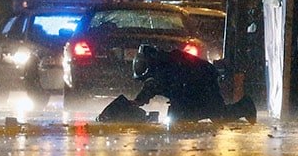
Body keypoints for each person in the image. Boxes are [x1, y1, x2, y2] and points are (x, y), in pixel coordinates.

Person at [96, 44, 257, 123]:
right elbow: (153, 85)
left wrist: (138, 101)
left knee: (218, 116)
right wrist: (139, 101)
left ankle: (246, 106)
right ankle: (244, 107)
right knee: (183, 118)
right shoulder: (162, 64)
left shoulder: (165, 65)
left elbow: (155, 85)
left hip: (203, 83)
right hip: (193, 86)